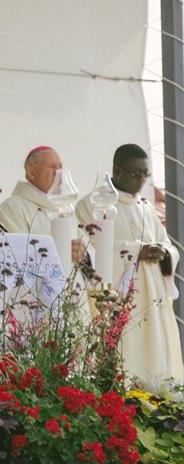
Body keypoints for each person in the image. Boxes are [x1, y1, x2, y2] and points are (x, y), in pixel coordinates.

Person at [75, 144, 183, 381]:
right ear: (116, 171)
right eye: (136, 174)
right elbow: (89, 252)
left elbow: (167, 244)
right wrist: (136, 251)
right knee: (127, 359)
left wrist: (165, 254)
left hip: (153, 296)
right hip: (119, 301)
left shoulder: (147, 207)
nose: (141, 180)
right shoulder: (92, 204)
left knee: (157, 360)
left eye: (145, 174)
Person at [0, 146, 85, 265]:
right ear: (32, 172)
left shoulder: (66, 210)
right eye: (52, 166)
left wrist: (81, 253)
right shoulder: (12, 207)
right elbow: (15, 254)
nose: (58, 172)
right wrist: (59, 251)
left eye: (60, 167)